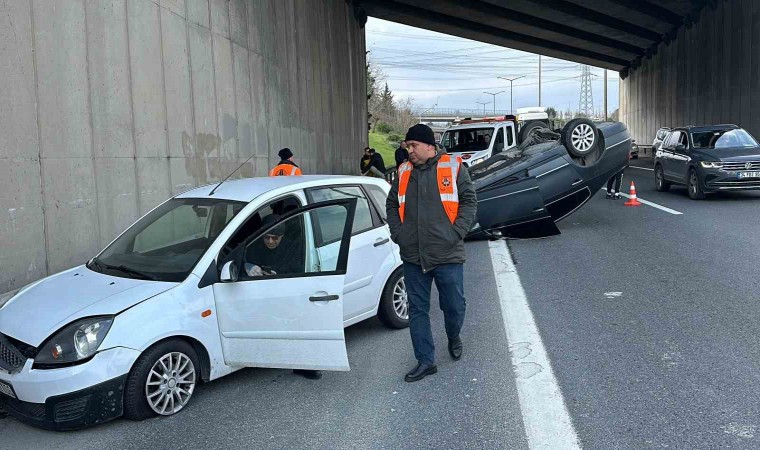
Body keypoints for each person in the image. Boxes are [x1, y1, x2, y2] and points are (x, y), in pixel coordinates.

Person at [386, 124, 478, 383]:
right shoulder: (403, 171)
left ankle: (453, 335)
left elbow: (469, 201)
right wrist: (398, 234)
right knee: (417, 309)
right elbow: (392, 204)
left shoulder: (453, 167)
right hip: (413, 255)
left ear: (430, 146)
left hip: (447, 253)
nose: (410, 151)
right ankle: (426, 361)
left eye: (414, 146)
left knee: (454, 305)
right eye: (407, 146)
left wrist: (456, 232)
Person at [244, 215, 320, 380]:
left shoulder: (293, 247)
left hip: (288, 293)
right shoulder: (254, 247)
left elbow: (300, 268)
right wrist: (251, 267)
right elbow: (244, 261)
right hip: (261, 296)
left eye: (275, 238)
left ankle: (304, 365)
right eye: (267, 237)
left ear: (282, 237)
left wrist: (278, 274)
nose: (270, 241)